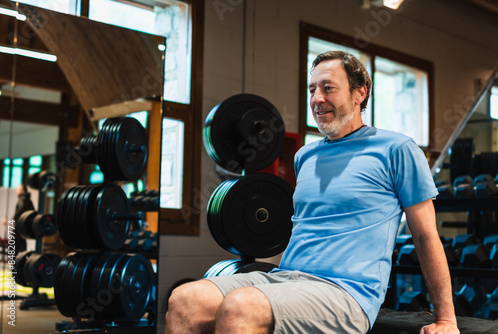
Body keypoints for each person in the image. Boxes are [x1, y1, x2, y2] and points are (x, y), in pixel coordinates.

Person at [165, 51, 460, 334]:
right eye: (312, 89)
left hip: (347, 294)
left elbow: (425, 236)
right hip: (287, 279)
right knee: (186, 300)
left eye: (328, 88)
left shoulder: (396, 149)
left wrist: (446, 317)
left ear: (360, 93)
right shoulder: (305, 156)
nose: (317, 98)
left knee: (241, 306)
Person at [13, 183, 35, 256]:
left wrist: (14, 218)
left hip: (19, 226)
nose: (16, 191)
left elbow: (20, 210)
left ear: (22, 191)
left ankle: (14, 265)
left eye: (18, 189)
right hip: (24, 227)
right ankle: (20, 263)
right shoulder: (28, 200)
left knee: (15, 246)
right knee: (22, 246)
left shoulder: (23, 199)